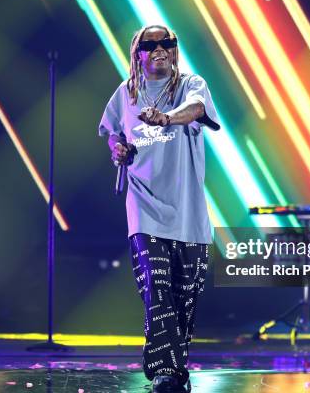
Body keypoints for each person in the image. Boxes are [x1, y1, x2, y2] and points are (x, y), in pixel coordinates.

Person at [99, 24, 219, 393]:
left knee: (184, 300)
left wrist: (166, 118)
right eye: (150, 45)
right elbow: (112, 132)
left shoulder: (190, 85)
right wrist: (117, 147)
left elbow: (197, 110)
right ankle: (166, 371)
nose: (160, 50)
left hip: (188, 214)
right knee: (157, 289)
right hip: (144, 206)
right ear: (138, 53)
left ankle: (173, 367)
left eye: (166, 43)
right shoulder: (126, 93)